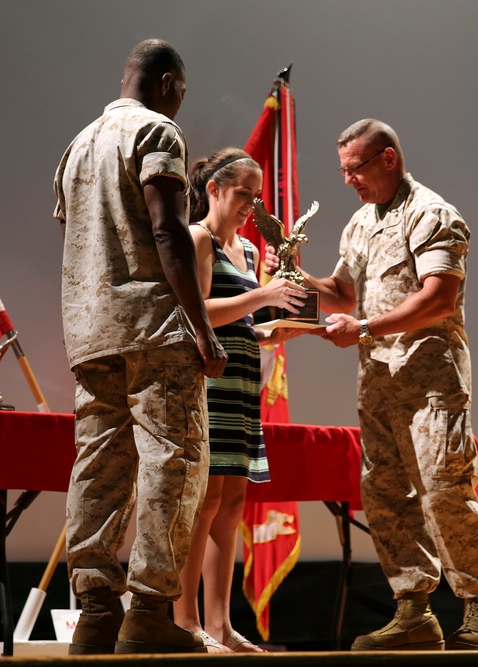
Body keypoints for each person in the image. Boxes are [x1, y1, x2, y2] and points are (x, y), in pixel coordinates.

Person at [269, 119, 478, 651]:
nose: (349, 179)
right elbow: (340, 292)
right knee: (385, 494)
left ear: (388, 159)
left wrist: (366, 327)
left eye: (356, 168)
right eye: (343, 171)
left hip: (429, 382)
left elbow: (438, 299)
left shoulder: (432, 213)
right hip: (378, 381)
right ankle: (414, 612)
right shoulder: (360, 223)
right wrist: (295, 277)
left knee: (444, 490)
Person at [52, 39, 227, 655]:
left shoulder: (77, 146)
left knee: (98, 468)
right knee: (175, 462)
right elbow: (166, 227)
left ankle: (97, 611)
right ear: (168, 83)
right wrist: (202, 326)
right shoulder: (158, 133)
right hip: (153, 328)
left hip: (91, 333)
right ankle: (150, 611)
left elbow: (79, 236)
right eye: (181, 92)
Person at [172, 147, 310, 653]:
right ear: (213, 189)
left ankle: (221, 622)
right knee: (204, 502)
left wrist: (276, 330)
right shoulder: (197, 238)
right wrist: (262, 298)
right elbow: (200, 311)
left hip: (243, 385)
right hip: (209, 384)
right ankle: (185, 621)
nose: (252, 205)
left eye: (256, 196)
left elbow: (245, 325)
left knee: (232, 505)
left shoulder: (250, 252)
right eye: (243, 194)